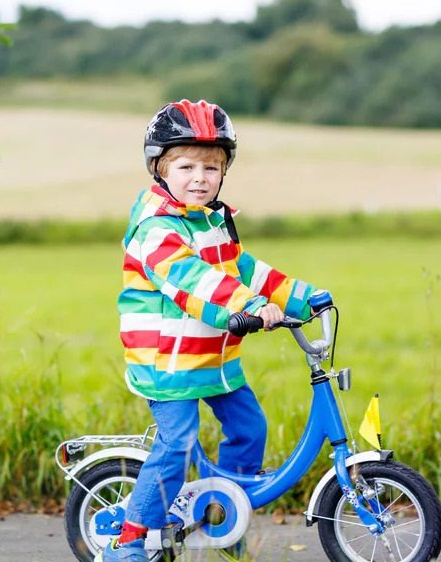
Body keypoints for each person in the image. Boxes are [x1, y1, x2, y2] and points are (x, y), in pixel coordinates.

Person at [105, 99, 326, 562]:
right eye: (186, 166)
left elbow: (244, 269)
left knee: (250, 428)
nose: (200, 177)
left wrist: (300, 295)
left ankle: (222, 519)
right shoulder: (157, 230)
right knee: (179, 443)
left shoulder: (213, 223)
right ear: (159, 169)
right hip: (166, 362)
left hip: (211, 360)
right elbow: (194, 281)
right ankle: (129, 539)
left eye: (211, 166)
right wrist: (250, 306)